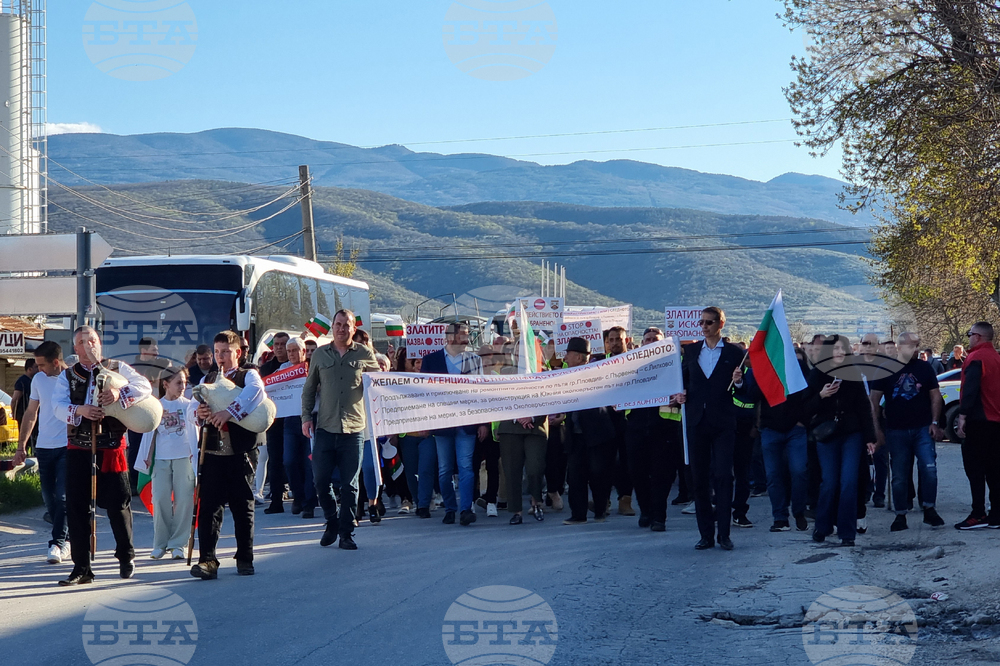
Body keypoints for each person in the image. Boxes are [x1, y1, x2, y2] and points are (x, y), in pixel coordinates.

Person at [54, 326, 152, 586]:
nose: (88, 345)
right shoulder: (68, 375)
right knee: (76, 508)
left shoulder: (117, 367)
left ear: (99, 343)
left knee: (118, 505)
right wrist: (81, 410)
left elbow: (145, 386)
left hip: (111, 446)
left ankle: (126, 555)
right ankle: (81, 567)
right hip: (79, 447)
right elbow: (57, 406)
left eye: (92, 340)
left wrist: (121, 394)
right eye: (82, 342)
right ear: (75, 348)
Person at [190, 330, 265, 579]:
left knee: (242, 505)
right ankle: (208, 560)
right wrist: (199, 413)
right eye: (217, 352)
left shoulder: (248, 375)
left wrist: (229, 413)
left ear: (238, 353)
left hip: (242, 450)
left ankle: (245, 557)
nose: (220, 357)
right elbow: (193, 407)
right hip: (212, 449)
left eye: (225, 352)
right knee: (209, 505)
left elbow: (256, 393)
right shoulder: (209, 378)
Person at [302, 309, 379, 550]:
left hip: (354, 429)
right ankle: (332, 521)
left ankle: (347, 533)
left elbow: (378, 385)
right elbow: (309, 388)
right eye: (338, 324)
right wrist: (306, 417)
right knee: (321, 481)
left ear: (354, 329)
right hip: (326, 427)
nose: (342, 328)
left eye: (347, 325)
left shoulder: (365, 354)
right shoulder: (321, 355)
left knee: (350, 484)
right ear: (332, 327)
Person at [676, 307, 745, 551]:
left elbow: (746, 388)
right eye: (702, 322)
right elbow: (683, 380)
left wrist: (739, 381)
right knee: (699, 479)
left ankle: (724, 534)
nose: (704, 326)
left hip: (723, 422)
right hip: (696, 421)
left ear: (720, 324)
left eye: (709, 322)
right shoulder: (692, 351)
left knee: (724, 476)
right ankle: (705, 534)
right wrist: (680, 395)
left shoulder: (736, 353)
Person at [805, 335, 877, 547]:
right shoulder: (817, 374)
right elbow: (804, 407)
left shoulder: (853, 373)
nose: (838, 352)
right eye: (835, 349)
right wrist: (821, 395)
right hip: (826, 435)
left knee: (849, 482)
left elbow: (864, 408)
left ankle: (847, 533)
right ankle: (823, 526)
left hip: (852, 434)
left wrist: (870, 437)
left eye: (842, 349)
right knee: (829, 481)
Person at [869, 331, 945, 532]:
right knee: (900, 475)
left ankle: (929, 508)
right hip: (896, 430)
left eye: (918, 345)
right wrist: (877, 431)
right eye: (912, 346)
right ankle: (900, 514)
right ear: (900, 347)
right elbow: (874, 402)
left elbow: (935, 396)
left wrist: (935, 422)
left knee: (929, 468)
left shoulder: (924, 368)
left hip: (922, 428)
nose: (916, 349)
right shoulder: (885, 369)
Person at [421, 322, 489, 527]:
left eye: (468, 335)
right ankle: (450, 508)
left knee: (466, 467)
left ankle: (465, 509)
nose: (468, 340)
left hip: (466, 423)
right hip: (442, 423)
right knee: (444, 469)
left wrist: (483, 422)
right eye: (464, 335)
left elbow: (481, 392)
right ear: (450, 337)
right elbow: (422, 394)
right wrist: (423, 421)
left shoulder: (474, 360)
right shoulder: (431, 360)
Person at [740, 354, 812, 532]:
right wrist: (759, 377)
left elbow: (809, 393)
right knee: (773, 475)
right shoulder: (765, 366)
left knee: (799, 471)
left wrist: (803, 421)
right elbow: (753, 394)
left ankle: (799, 511)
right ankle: (780, 518)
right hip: (770, 428)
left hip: (796, 429)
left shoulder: (799, 366)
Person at [13, 342, 70, 565]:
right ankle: (68, 535)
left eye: (41, 364)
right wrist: (21, 446)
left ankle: (57, 543)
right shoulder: (38, 380)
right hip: (44, 447)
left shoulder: (72, 379)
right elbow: (30, 413)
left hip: (68, 445)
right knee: (48, 497)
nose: (38, 369)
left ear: (56, 362)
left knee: (62, 496)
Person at [135, 367, 199, 560]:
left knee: (184, 501)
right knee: (160, 499)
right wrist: (147, 457)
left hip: (184, 459)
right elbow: (150, 434)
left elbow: (196, 433)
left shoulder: (189, 405)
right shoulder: (156, 406)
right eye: (178, 382)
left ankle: (178, 543)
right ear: (166, 384)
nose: (183, 386)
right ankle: (160, 544)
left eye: (185, 383)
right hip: (161, 460)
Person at [625, 327, 681, 532]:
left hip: (665, 425)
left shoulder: (674, 367)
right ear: (642, 344)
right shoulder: (631, 368)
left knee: (662, 474)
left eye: (655, 340)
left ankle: (659, 516)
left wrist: (680, 398)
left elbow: (684, 391)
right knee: (637, 473)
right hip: (636, 426)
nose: (651, 343)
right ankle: (646, 510)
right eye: (647, 340)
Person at [562, 337, 617, 525]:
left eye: (568, 354)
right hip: (575, 434)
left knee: (598, 474)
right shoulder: (565, 376)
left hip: (597, 433)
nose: (565, 358)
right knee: (576, 476)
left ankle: (600, 510)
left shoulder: (597, 373)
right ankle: (578, 514)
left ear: (578, 357)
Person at [955, 322, 1000, 530]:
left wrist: (962, 415)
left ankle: (978, 513)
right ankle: (997, 514)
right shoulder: (996, 358)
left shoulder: (976, 358)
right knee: (994, 469)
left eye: (970, 334)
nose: (969, 338)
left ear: (978, 337)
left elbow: (971, 388)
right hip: (996, 422)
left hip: (979, 420)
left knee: (974, 469)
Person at [394, 347, 438, 519]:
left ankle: (424, 505)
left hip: (428, 435)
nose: (420, 365)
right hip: (408, 436)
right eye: (417, 361)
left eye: (423, 361)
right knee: (411, 473)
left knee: (426, 469)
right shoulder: (401, 383)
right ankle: (419, 500)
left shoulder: (434, 383)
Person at [281, 337, 316, 519]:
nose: (292, 354)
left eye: (295, 350)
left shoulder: (312, 368)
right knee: (289, 460)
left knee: (309, 462)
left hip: (311, 419)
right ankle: (298, 496)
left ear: (303, 352)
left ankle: (309, 502)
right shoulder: (282, 370)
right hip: (291, 421)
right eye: (289, 351)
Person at [604, 326, 635, 517]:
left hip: (629, 419)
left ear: (627, 340)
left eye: (618, 339)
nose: (615, 343)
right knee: (605, 461)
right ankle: (603, 500)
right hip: (605, 419)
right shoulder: (598, 363)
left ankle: (625, 500)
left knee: (626, 461)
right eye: (611, 339)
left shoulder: (635, 361)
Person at [498, 410, 549, 525]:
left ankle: (536, 503)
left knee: (535, 467)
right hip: (509, 426)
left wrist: (532, 417)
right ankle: (517, 512)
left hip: (535, 428)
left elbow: (546, 396)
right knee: (511, 471)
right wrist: (518, 417)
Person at [260, 331, 289, 514]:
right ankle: (276, 500)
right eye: (276, 344)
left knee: (294, 460)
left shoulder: (297, 367)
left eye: (282, 344)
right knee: (275, 461)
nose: (279, 348)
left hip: (294, 420)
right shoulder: (266, 369)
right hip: (274, 422)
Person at [11, 358, 37, 453]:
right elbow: (15, 399)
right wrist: (14, 412)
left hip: (36, 414)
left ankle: (34, 453)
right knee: (26, 436)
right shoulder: (22, 381)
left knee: (35, 436)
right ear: (29, 369)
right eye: (36, 367)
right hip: (24, 413)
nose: (38, 369)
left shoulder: (36, 380)